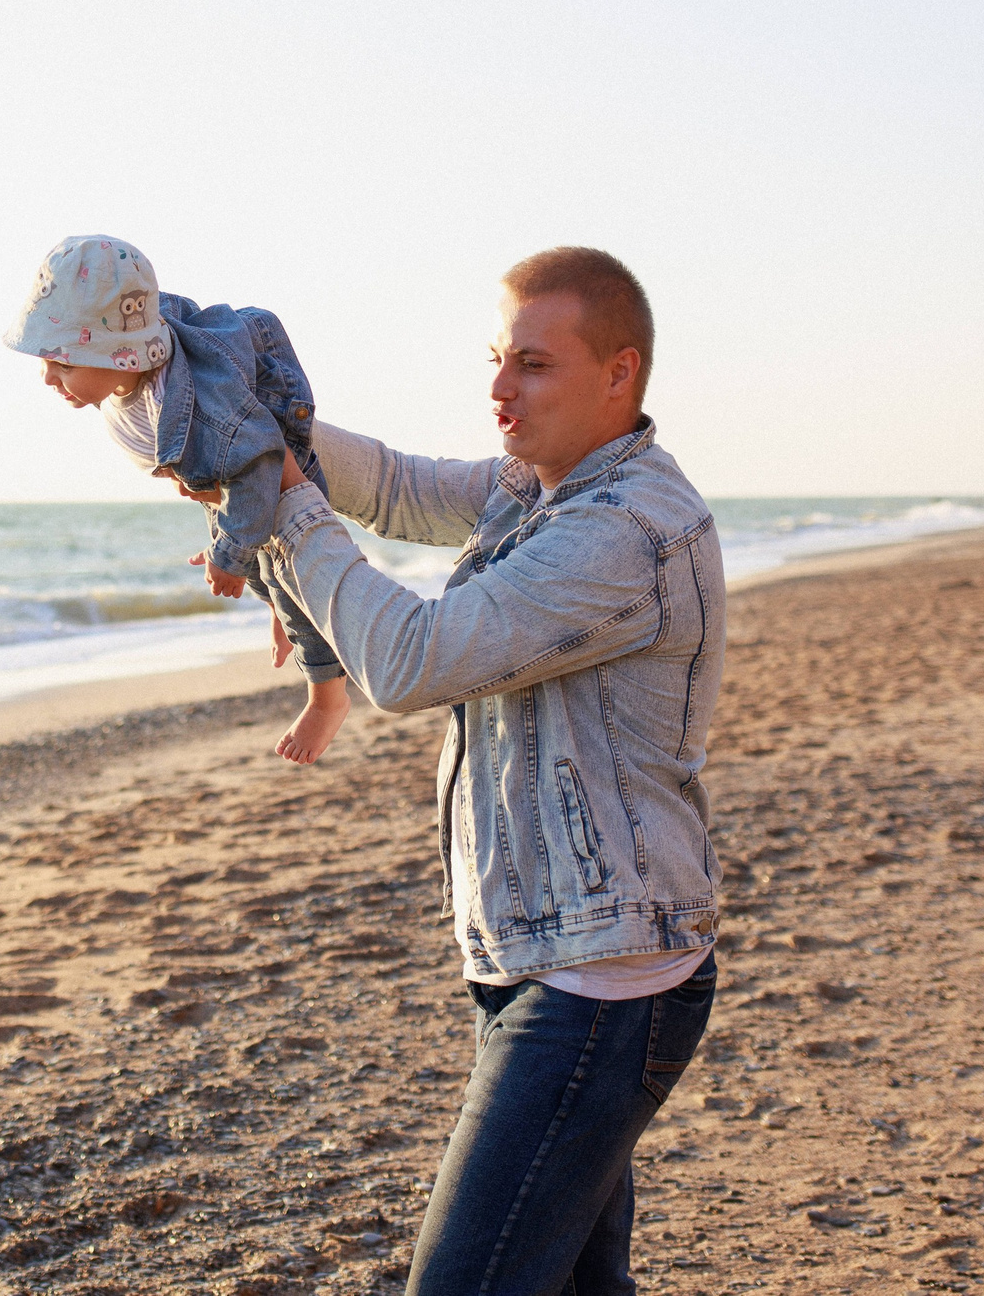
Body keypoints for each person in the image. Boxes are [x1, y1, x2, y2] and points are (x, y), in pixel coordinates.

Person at [261, 246, 724, 1296]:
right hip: (545, 957)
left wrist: (288, 513)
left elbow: (412, 661)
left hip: (600, 981)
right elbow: (389, 485)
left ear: (619, 374)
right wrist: (240, 422)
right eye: (495, 359)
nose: (498, 389)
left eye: (532, 364)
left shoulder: (626, 530)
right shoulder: (539, 489)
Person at [4, 234, 353, 763]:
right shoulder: (128, 369)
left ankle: (327, 697)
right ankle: (281, 610)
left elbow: (258, 464)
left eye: (65, 363)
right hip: (215, 462)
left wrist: (229, 554)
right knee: (257, 567)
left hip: (261, 437)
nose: (49, 377)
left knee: (283, 566)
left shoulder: (216, 414)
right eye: (47, 360)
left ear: (119, 359)